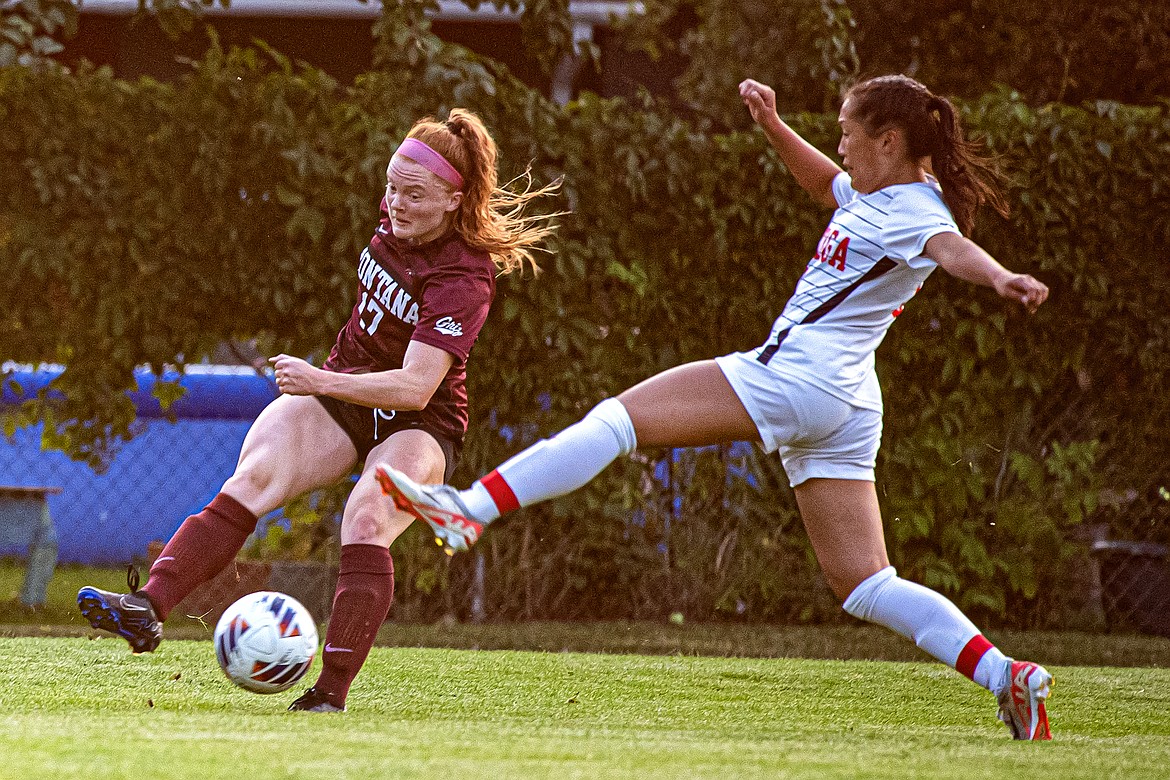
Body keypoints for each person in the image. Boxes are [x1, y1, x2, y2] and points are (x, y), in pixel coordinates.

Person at [375, 75, 1055, 740]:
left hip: (797, 376)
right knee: (865, 583)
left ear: (890, 139)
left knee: (616, 422)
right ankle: (1006, 675)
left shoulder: (915, 210)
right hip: (846, 400)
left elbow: (951, 248)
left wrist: (1001, 277)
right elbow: (825, 184)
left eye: (848, 134)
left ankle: (470, 511)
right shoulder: (880, 192)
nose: (841, 146)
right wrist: (770, 123)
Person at [77, 108, 560, 713]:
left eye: (414, 194)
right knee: (252, 479)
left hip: (421, 421)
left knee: (366, 519)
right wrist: (329, 384)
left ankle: (329, 694)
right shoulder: (394, 225)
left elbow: (415, 387)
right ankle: (147, 608)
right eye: (391, 186)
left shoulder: (464, 276)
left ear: (453, 202)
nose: (396, 203)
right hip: (343, 396)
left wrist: (317, 378)